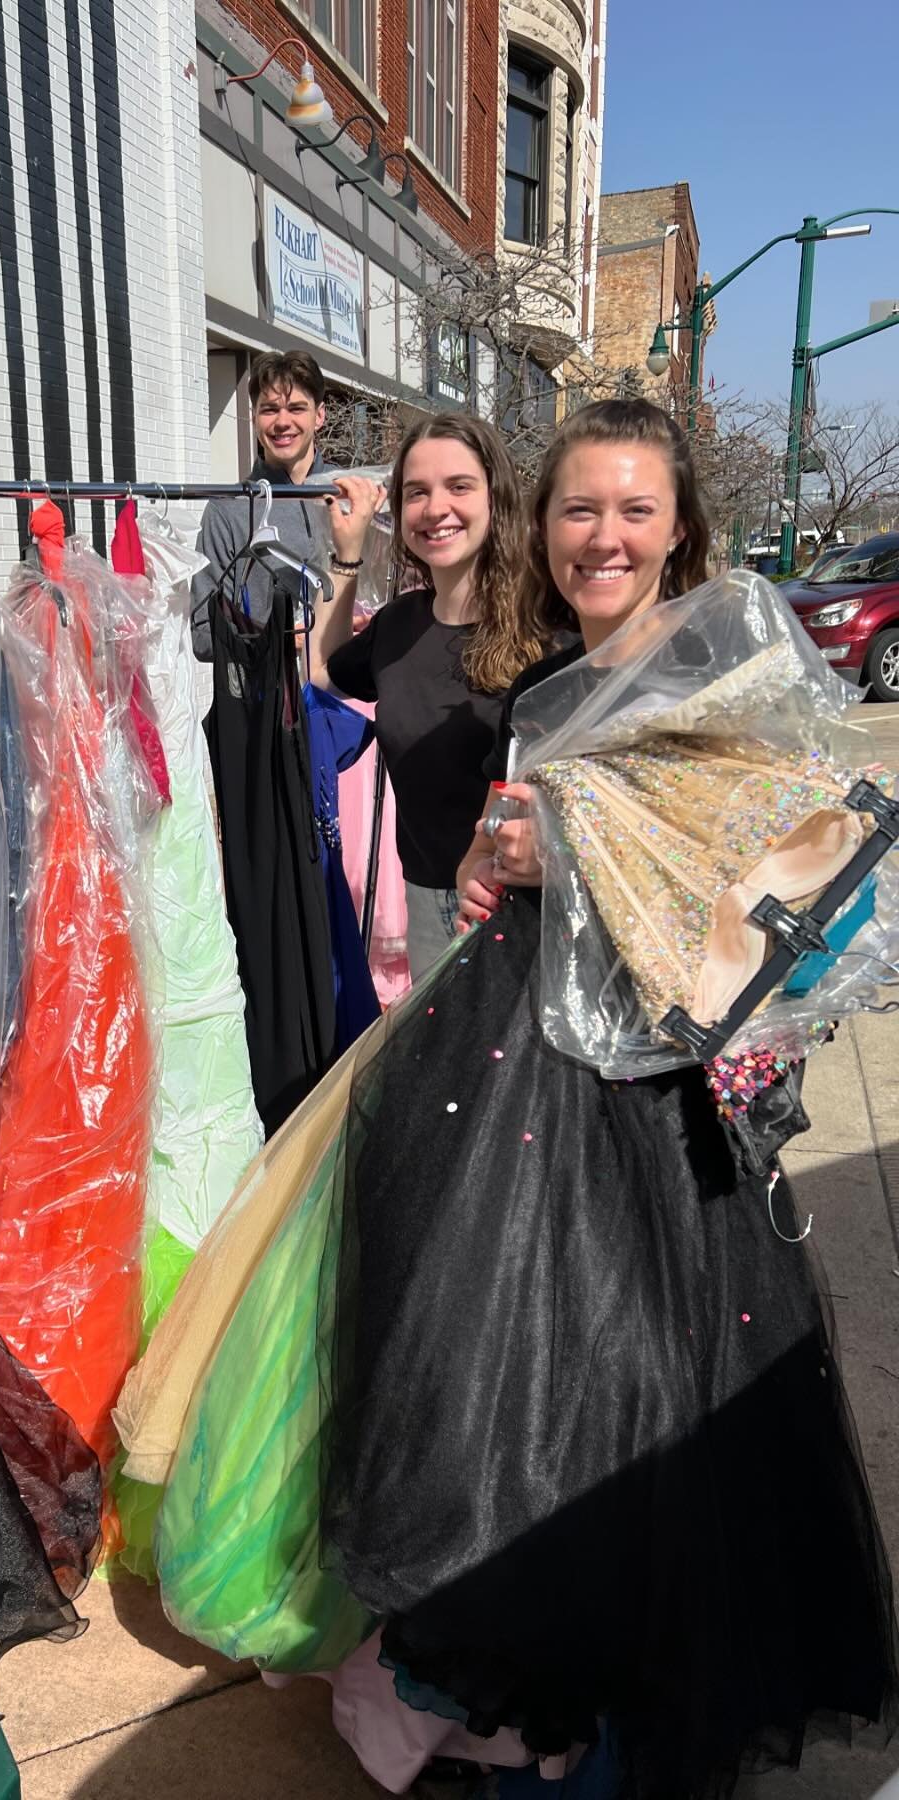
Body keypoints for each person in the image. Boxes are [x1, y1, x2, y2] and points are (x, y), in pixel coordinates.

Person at [116, 397, 898, 1798]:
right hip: (513, 1048)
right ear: (547, 528)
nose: (604, 535)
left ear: (680, 529)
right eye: (581, 509)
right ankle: (523, 1713)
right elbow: (524, 828)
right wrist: (495, 863)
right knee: (492, 1383)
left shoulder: (719, 655)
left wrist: (577, 852)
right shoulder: (549, 682)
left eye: (634, 510)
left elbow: (796, 850)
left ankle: (605, 1712)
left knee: (629, 1391)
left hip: (652, 1093)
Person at [311, 414, 549, 975]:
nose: (435, 508)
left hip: (516, 907)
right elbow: (322, 671)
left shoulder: (544, 628)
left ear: (497, 498)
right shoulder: (398, 626)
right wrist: (348, 554)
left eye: (459, 487)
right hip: (424, 900)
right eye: (417, 492)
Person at [190, 350, 336, 661]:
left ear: (319, 415)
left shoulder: (350, 497)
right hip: (265, 705)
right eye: (270, 409)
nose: (283, 422)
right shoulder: (229, 510)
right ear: (254, 416)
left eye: (297, 408)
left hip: (353, 701)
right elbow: (203, 636)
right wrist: (288, 641)